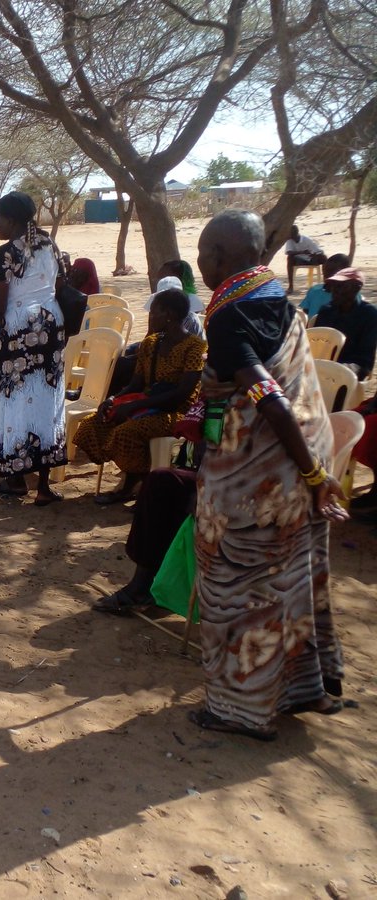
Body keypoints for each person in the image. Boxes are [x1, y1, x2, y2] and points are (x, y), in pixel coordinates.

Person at [190, 208, 347, 742]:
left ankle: (240, 710)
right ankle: (306, 689)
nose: (199, 263)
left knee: (237, 590)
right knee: (294, 582)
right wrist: (315, 471)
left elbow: (271, 400)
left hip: (259, 484)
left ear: (219, 256)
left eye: (203, 253)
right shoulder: (278, 300)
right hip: (299, 468)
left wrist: (312, 472)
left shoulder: (229, 317)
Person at [0, 191, 66, 505]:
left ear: (10, 219)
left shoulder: (5, 253)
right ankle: (43, 487)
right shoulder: (50, 245)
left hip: (18, 331)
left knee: (13, 402)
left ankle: (14, 479)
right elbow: (61, 284)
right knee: (46, 399)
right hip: (50, 327)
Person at [74, 289, 206, 504]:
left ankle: (138, 484)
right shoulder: (151, 344)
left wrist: (137, 405)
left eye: (155, 313)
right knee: (92, 424)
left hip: (176, 412)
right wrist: (113, 400)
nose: (150, 317)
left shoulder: (195, 347)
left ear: (170, 314)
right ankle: (137, 477)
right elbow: (136, 384)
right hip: (146, 405)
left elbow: (183, 393)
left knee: (127, 432)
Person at [93, 467, 198, 613]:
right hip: (215, 473)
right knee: (161, 481)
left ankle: (141, 587)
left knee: (162, 481)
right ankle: (146, 584)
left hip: (234, 486)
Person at [313, 268, 375, 379]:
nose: (335, 290)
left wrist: (336, 369)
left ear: (357, 288)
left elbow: (364, 359)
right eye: (333, 286)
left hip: (353, 368)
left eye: (341, 286)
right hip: (324, 365)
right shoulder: (326, 311)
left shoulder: (369, 314)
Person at [300, 253, 350, 318]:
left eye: (331, 272)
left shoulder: (350, 295)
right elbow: (305, 313)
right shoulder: (314, 291)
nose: (326, 275)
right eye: (324, 271)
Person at [283, 225, 328, 291]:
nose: (292, 237)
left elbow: (319, 251)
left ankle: (326, 282)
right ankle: (291, 286)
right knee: (290, 258)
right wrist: (302, 252)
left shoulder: (307, 240)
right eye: (291, 235)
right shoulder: (290, 240)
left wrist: (314, 255)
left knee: (324, 258)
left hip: (311, 259)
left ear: (297, 233)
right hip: (300, 259)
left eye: (293, 235)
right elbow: (289, 252)